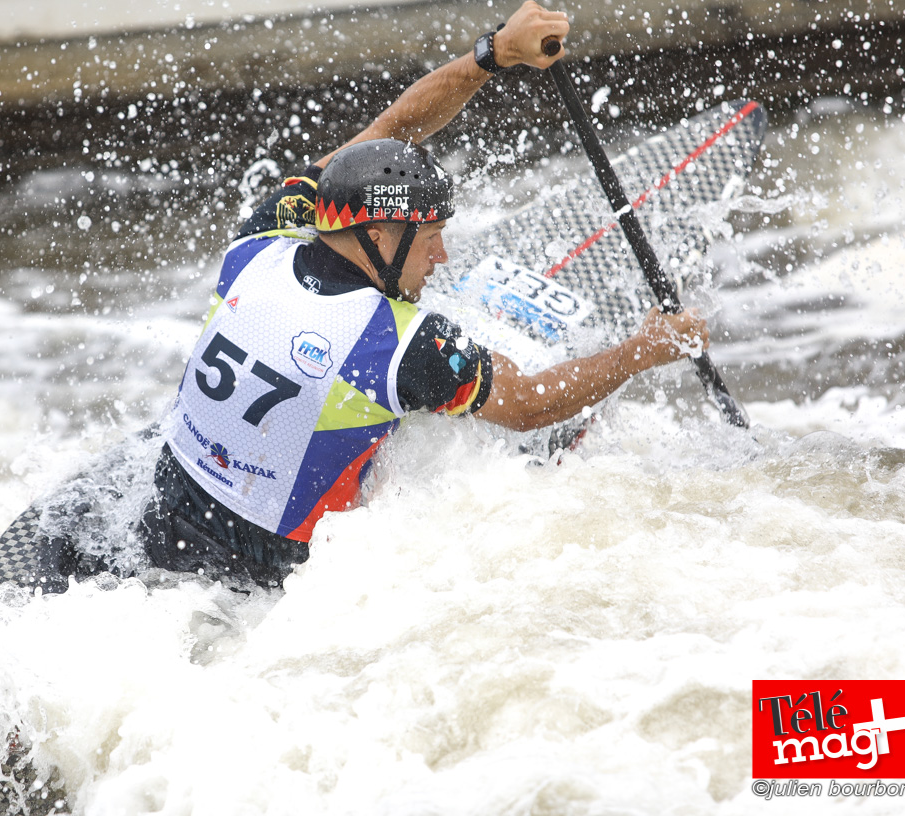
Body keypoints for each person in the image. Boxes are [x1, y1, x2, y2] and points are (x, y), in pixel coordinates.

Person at [40, 1, 709, 592]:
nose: (442, 256)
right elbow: (532, 406)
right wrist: (643, 350)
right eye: (431, 238)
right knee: (520, 446)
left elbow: (394, 128)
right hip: (262, 585)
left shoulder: (262, 239)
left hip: (161, 513)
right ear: (382, 234)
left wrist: (493, 54)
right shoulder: (404, 344)